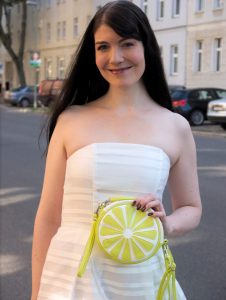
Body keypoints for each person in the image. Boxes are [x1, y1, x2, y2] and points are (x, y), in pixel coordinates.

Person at [31, 1, 202, 299]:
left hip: (141, 277)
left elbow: (191, 208)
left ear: (146, 47)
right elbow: (48, 218)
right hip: (72, 279)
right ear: (93, 53)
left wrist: (168, 224)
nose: (116, 57)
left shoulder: (175, 126)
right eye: (103, 47)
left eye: (127, 44)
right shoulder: (71, 120)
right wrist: (36, 292)